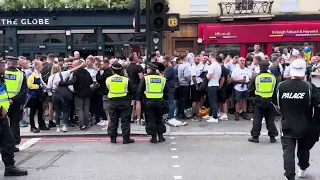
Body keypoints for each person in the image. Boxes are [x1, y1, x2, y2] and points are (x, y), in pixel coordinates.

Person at [276, 59, 320, 180]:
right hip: (305, 124)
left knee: (288, 152)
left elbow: (276, 105)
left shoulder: (281, 86)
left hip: (287, 124)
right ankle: (303, 168)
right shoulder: (309, 87)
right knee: (304, 149)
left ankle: (290, 175)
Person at [0, 59, 28, 177]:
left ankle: (9, 167)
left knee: (8, 141)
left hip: (3, 115)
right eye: (1, 65)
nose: (4, 67)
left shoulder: (2, 78)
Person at [248, 60, 278, 143]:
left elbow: (250, 88)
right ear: (268, 67)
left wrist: (251, 98)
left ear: (260, 67)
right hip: (270, 100)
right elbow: (275, 89)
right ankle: (272, 137)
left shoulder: (256, 77)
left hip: (259, 100)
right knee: (270, 119)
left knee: (257, 119)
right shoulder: (273, 77)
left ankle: (255, 137)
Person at [58, 60, 93, 130]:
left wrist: (61, 83)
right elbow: (91, 82)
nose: (72, 66)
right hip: (87, 93)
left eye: (73, 65)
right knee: (86, 108)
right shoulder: (87, 72)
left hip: (79, 93)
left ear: (77, 65)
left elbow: (72, 82)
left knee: (79, 109)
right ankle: (86, 124)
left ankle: (81, 125)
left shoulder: (76, 73)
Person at [137, 62, 168, 143]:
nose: (146, 70)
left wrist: (139, 101)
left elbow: (139, 91)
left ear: (150, 69)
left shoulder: (145, 79)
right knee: (159, 118)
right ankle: (161, 136)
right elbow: (167, 92)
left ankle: (153, 137)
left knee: (150, 119)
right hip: (159, 102)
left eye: (147, 69)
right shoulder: (162, 79)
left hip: (149, 102)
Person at [106, 63, 135, 144]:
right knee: (125, 121)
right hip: (124, 102)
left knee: (113, 120)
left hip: (113, 102)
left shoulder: (108, 79)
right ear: (121, 70)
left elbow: (107, 89)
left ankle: (113, 138)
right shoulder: (126, 80)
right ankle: (126, 139)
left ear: (112, 70)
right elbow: (132, 91)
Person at [4, 56, 27, 152]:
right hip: (16, 103)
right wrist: (14, 99)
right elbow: (24, 91)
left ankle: (3, 144)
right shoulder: (21, 74)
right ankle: (13, 144)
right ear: (16, 64)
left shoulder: (2, 73)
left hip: (3, 101)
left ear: (8, 63)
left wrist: (7, 99)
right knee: (14, 123)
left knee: (3, 123)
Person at [26, 60, 49, 133]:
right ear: (38, 67)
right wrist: (38, 86)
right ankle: (32, 126)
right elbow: (29, 85)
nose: (42, 67)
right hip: (34, 96)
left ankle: (41, 124)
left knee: (40, 110)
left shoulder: (39, 74)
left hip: (39, 95)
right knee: (33, 112)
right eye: (41, 66)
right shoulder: (33, 75)